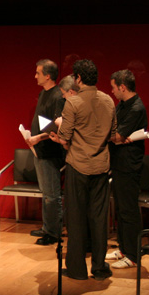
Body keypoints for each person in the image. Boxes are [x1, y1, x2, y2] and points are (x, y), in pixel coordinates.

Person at [49, 59, 116, 281]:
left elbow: (65, 137)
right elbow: (112, 134)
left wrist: (58, 137)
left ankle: (77, 270)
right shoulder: (108, 100)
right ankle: (99, 267)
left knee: (76, 218)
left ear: (78, 78)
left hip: (78, 166)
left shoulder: (74, 102)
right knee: (99, 218)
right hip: (102, 166)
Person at [106, 69, 148, 269]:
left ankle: (132, 255)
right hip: (118, 162)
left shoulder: (136, 108)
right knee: (121, 209)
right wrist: (115, 136)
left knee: (129, 210)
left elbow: (117, 136)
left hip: (129, 166)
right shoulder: (122, 105)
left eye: (114, 87)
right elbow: (114, 131)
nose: (112, 91)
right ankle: (123, 248)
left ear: (122, 87)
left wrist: (115, 137)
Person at [25, 59, 66, 246]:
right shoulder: (43, 93)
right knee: (46, 193)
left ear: (47, 75)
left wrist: (37, 138)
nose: (35, 76)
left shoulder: (58, 96)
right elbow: (44, 121)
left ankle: (54, 232)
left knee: (52, 195)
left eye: (38, 73)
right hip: (39, 150)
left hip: (50, 151)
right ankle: (47, 227)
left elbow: (56, 128)